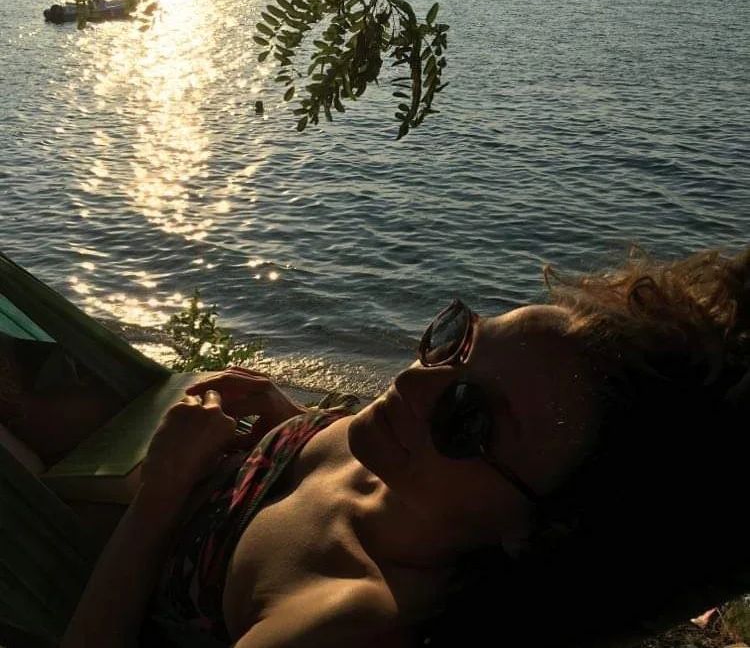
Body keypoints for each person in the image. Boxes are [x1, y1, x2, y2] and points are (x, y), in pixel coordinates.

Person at [60, 246, 750, 648]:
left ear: (533, 530)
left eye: (465, 417)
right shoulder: (400, 455)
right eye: (456, 343)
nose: (414, 381)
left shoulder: (342, 616)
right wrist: (288, 424)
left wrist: (160, 496)